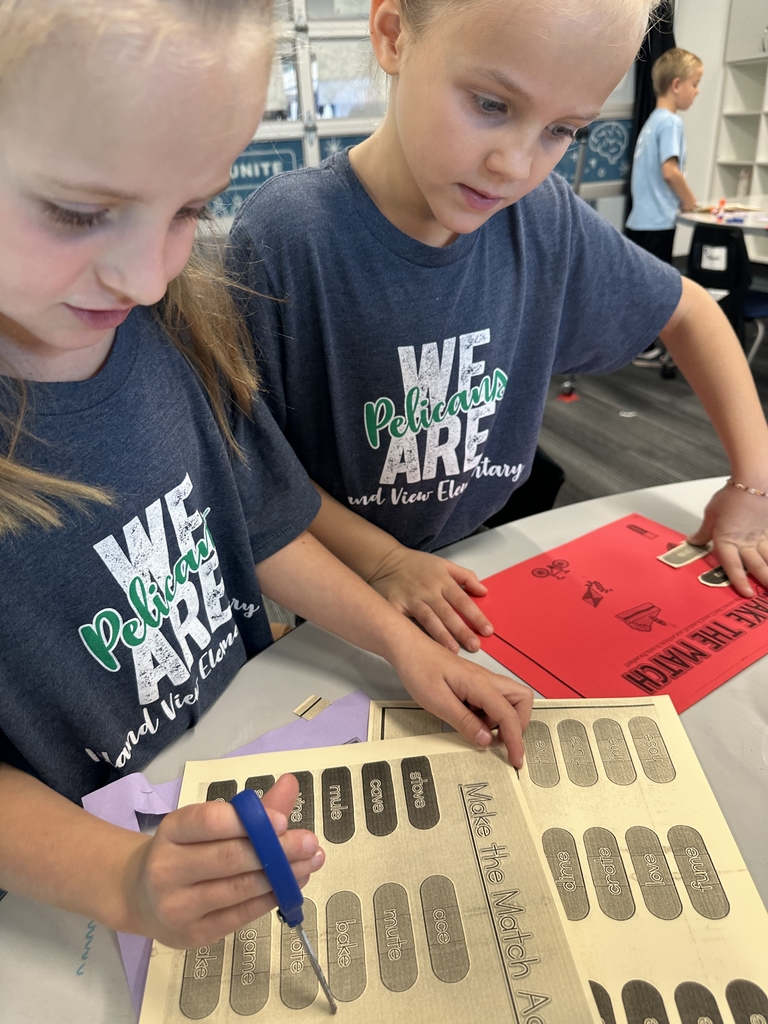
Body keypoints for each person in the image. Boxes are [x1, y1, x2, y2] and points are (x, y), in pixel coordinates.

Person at [0, 0, 533, 950]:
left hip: (228, 770)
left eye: (191, 210)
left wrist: (399, 644)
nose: (147, 276)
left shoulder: (167, 329)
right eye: (79, 212)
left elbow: (262, 522)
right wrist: (121, 880)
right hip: (62, 903)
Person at [230, 0, 768, 654]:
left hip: (491, 556)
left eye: (564, 131)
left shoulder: (544, 219)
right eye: (490, 103)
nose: (516, 167)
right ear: (394, 35)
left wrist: (754, 483)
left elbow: (693, 312)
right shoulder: (288, 235)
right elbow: (251, 466)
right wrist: (385, 563)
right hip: (344, 589)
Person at [625, 47, 703, 367]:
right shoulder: (670, 123)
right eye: (695, 84)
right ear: (676, 85)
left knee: (640, 286)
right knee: (657, 289)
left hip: (640, 220)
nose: (697, 92)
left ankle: (635, 344)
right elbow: (670, 171)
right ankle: (644, 347)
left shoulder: (652, 122)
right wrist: (690, 202)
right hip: (657, 221)